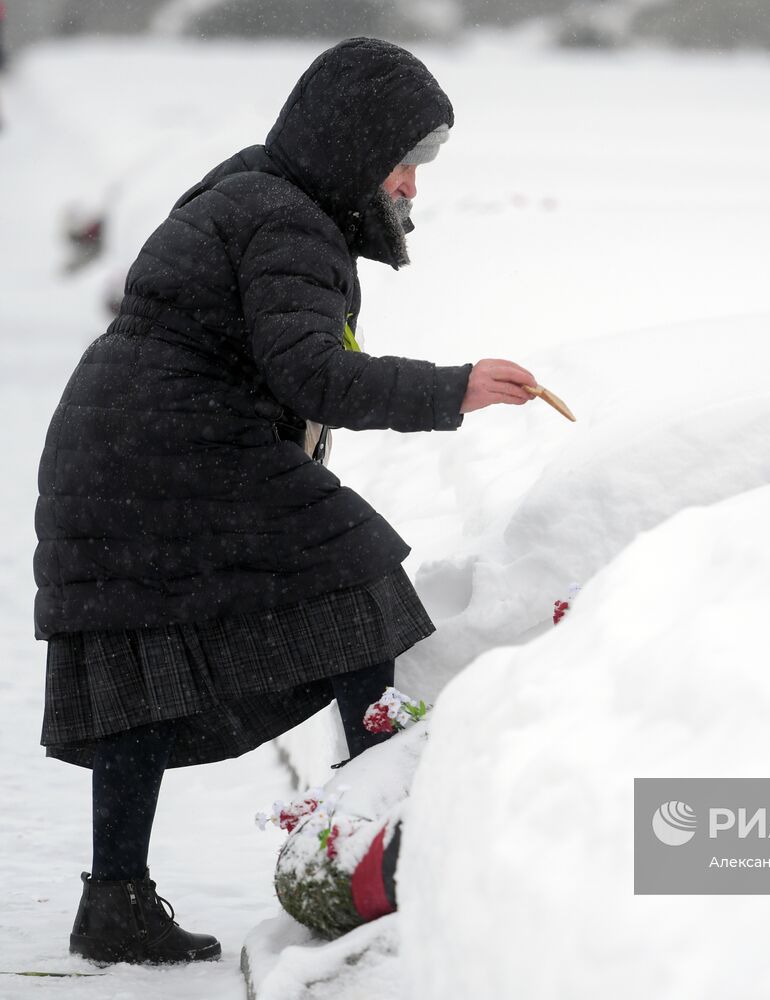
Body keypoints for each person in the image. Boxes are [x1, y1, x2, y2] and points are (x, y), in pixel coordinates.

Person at [33, 37, 536, 965]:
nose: (413, 189)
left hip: (113, 451)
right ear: (354, 147)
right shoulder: (289, 220)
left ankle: (116, 902)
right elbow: (312, 372)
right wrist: (451, 388)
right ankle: (372, 844)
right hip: (177, 449)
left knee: (140, 663)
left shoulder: (260, 193)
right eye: (405, 163)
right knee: (362, 591)